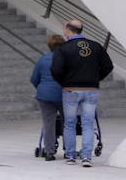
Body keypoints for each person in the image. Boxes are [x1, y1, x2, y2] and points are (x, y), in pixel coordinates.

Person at [51, 19, 114, 167]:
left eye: (64, 29)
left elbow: (56, 70)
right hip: (91, 90)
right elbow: (108, 66)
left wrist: (64, 82)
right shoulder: (96, 46)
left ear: (68, 29)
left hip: (70, 90)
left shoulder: (64, 48)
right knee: (88, 124)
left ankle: (71, 156)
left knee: (69, 124)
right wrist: (96, 78)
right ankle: (86, 157)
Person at [30, 34, 65, 161]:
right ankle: (69, 151)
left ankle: (49, 152)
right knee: (67, 123)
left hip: (44, 96)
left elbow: (34, 79)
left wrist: (42, 88)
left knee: (48, 124)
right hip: (62, 94)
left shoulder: (42, 59)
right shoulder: (66, 60)